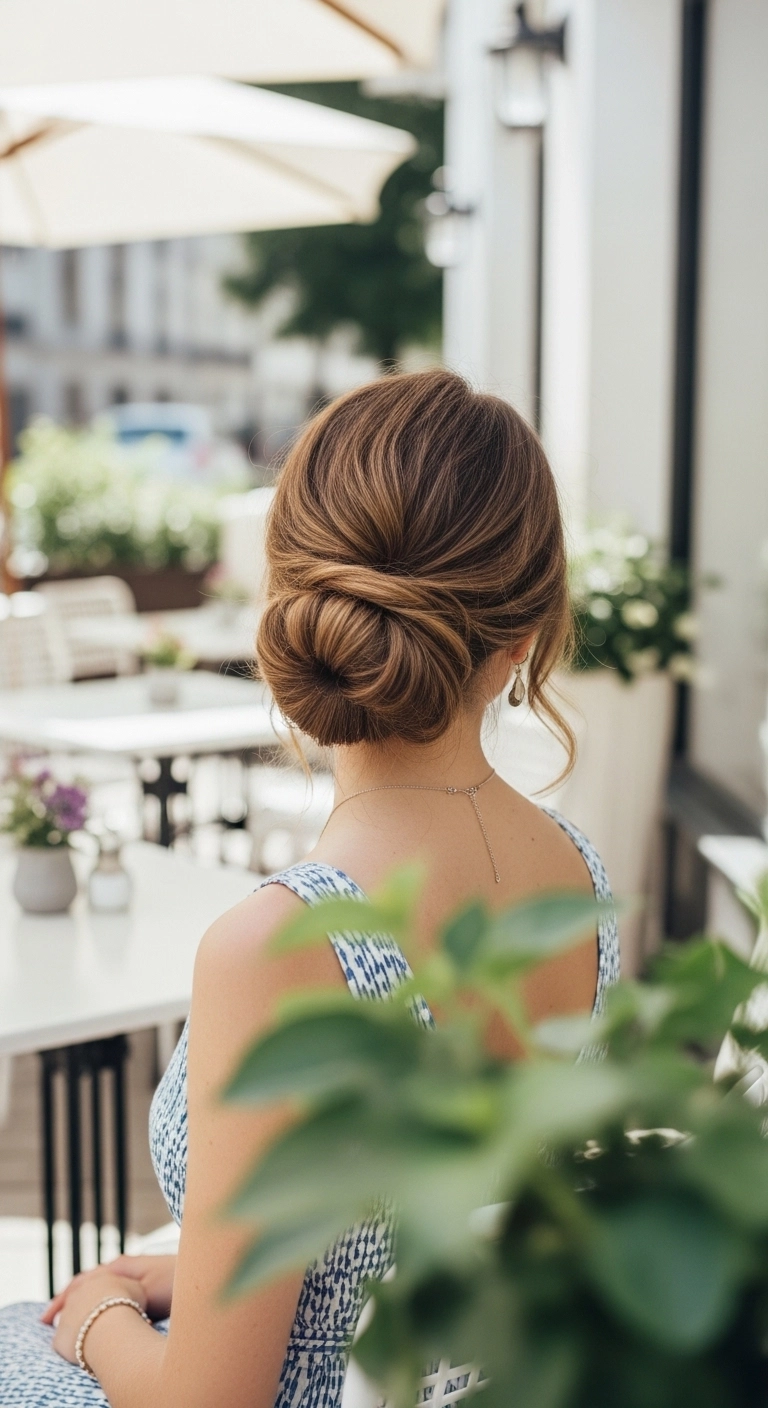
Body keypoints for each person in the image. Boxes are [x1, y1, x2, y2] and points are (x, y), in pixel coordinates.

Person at [0, 369, 619, 1408]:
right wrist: (205, 1276)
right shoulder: (578, 878)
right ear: (524, 635)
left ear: (287, 600)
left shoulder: (288, 946)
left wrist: (101, 1315)